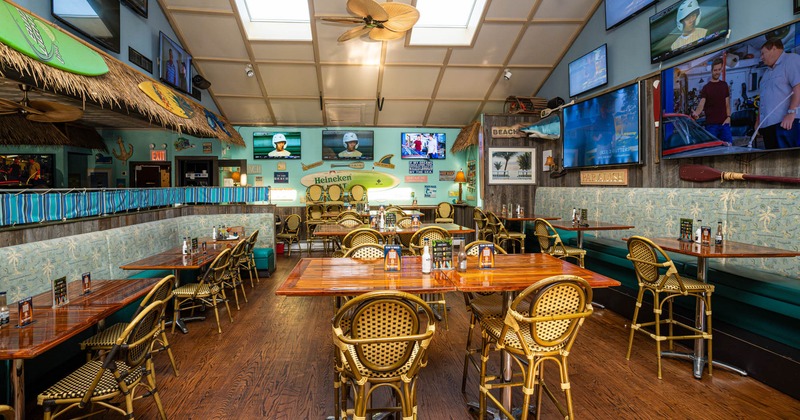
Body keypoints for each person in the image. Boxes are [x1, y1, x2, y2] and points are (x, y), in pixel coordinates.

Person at [758, 38, 800, 149]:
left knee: (789, 162)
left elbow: (798, 87)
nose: (761, 57)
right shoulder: (766, 74)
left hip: (786, 124)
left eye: (763, 53)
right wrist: (758, 122)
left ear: (773, 48)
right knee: (773, 163)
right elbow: (762, 99)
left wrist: (791, 113)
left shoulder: (791, 60)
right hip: (768, 126)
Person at [691, 58, 733, 145]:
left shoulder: (724, 85)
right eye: (715, 70)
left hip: (724, 124)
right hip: (711, 126)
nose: (717, 72)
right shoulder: (706, 88)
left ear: (721, 69)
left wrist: (729, 117)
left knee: (729, 148)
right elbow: (701, 104)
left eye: (719, 69)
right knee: (712, 150)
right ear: (711, 70)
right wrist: (697, 113)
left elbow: (727, 104)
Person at [590, 97, 616, 165]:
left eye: (605, 108)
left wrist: (614, 143)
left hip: (608, 145)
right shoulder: (597, 119)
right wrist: (598, 138)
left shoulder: (610, 117)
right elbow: (593, 135)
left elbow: (613, 132)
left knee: (608, 163)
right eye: (602, 108)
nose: (603, 110)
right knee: (599, 163)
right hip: (600, 146)